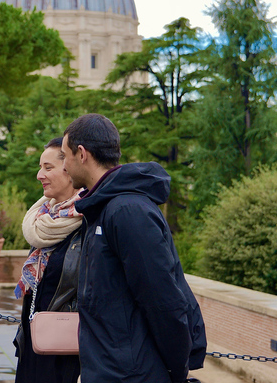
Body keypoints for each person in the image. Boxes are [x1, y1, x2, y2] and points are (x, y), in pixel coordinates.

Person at [62, 114, 207, 383]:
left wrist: (176, 370)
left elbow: (162, 300)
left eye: (64, 156)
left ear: (81, 154)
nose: (63, 168)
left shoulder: (127, 211)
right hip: (114, 372)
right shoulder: (103, 209)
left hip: (133, 376)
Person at [13, 137, 84, 383]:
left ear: (71, 169)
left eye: (48, 167)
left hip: (68, 356)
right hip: (34, 345)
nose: (39, 174)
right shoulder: (45, 219)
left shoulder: (89, 221)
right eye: (40, 167)